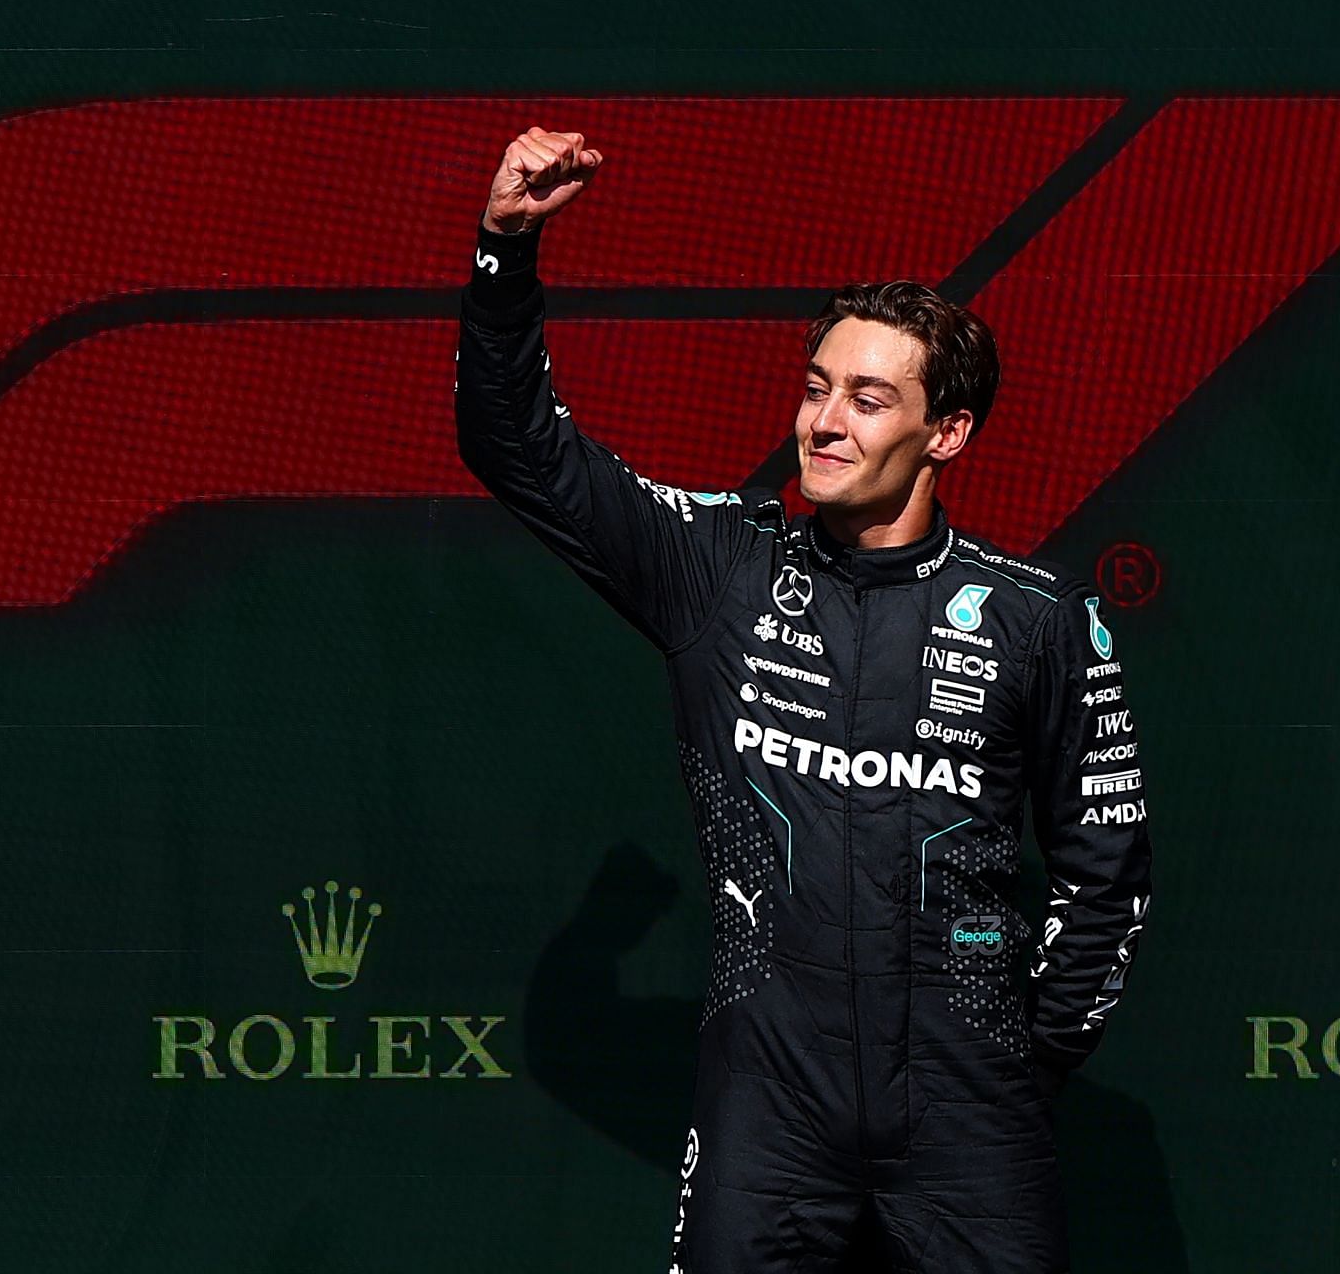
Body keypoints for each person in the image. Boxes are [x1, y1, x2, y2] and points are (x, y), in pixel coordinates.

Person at [455, 125, 1153, 1273]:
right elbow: (519, 447)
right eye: (817, 387)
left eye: (870, 399)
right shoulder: (720, 569)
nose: (825, 422)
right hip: (767, 1115)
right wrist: (504, 251)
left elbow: (1107, 858)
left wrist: (1022, 1053)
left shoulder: (1037, 613)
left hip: (972, 1116)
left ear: (948, 430)